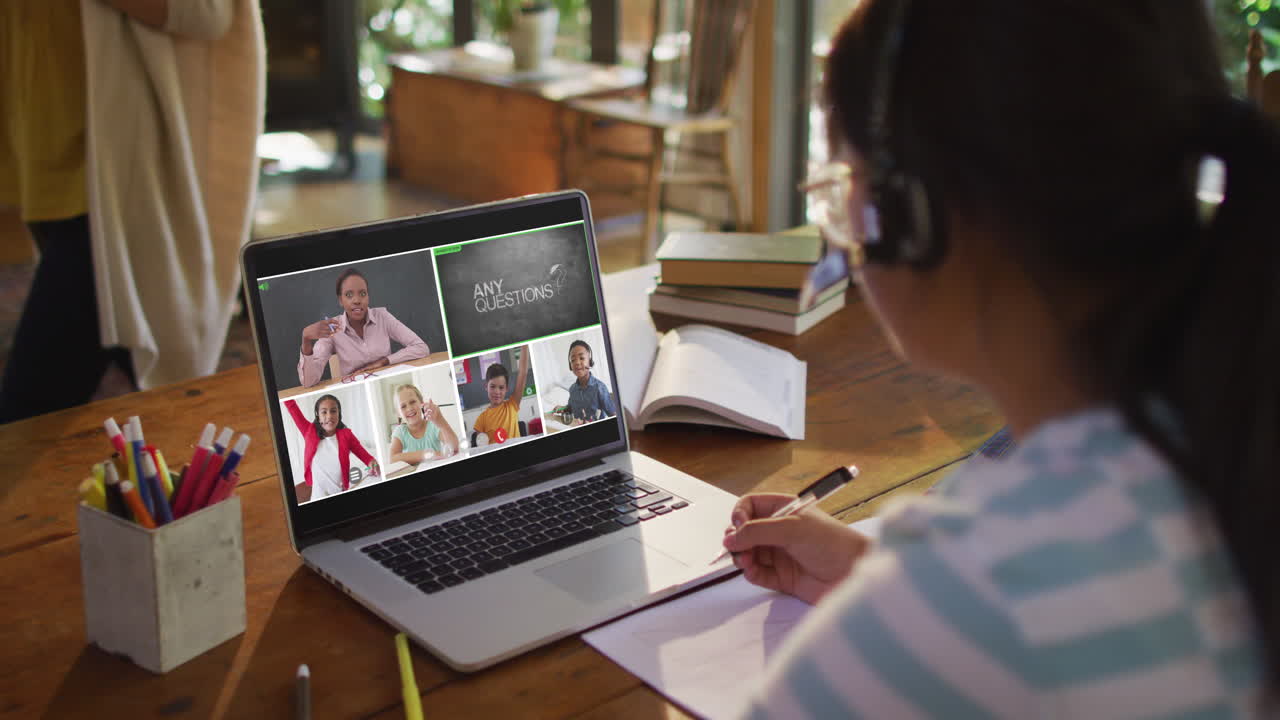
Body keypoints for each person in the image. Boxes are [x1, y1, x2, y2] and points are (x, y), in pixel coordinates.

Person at [721, 1, 1276, 716]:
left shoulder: (977, 592)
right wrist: (880, 580)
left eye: (842, 187)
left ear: (916, 211)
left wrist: (918, 613)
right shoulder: (1226, 439)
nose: (846, 237)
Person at [0, 0, 265, 423]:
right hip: (47, 161)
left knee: (26, 412)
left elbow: (209, 11)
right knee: (147, 386)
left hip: (116, 183)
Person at [298, 268, 429, 387]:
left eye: (362, 293)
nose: (357, 300)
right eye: (349, 295)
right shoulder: (333, 328)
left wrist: (385, 361)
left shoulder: (382, 316)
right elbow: (309, 382)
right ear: (340, 300)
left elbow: (421, 347)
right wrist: (306, 339)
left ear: (368, 297)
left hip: (386, 382)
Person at [284, 395, 379, 503]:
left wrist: (373, 464)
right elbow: (291, 406)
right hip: (317, 497)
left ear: (339, 414)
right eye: (324, 412)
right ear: (318, 415)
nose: (329, 416)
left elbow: (366, 456)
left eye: (333, 411)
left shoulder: (346, 435)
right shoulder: (309, 431)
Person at [388, 384, 460, 466]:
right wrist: (427, 454)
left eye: (412, 402)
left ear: (422, 403)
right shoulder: (400, 432)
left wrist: (440, 420)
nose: (409, 408)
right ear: (398, 413)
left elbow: (454, 448)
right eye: (403, 406)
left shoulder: (433, 425)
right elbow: (392, 459)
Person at [473, 345, 530, 444]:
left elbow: (523, 372)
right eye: (492, 386)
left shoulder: (512, 404)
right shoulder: (481, 419)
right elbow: (482, 446)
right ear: (486, 386)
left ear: (506, 389)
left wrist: (525, 346)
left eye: (501, 387)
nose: (497, 392)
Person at [565, 340, 615, 423]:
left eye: (582, 358)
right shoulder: (572, 389)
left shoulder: (600, 388)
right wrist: (562, 409)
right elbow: (570, 408)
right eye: (573, 360)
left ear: (590, 361)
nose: (577, 362)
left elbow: (613, 415)